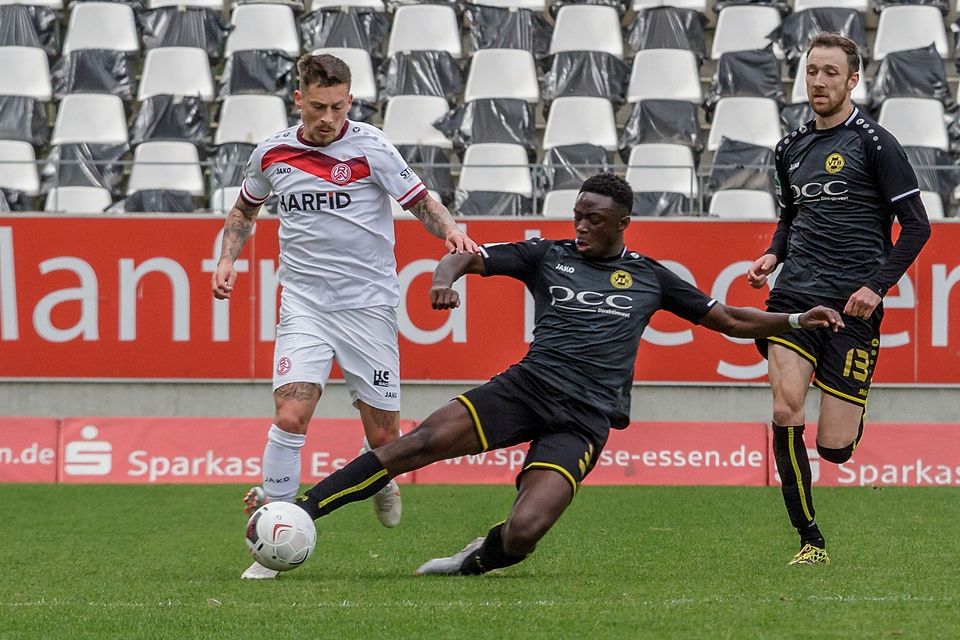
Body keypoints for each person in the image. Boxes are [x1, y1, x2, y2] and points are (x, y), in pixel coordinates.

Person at [283, 172, 844, 577]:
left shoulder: (651, 277)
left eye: (594, 219)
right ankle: (303, 509)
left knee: (524, 533)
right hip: (526, 388)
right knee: (420, 442)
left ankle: (472, 559)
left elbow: (730, 319)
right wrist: (442, 278)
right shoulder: (547, 256)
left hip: (584, 418)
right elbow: (467, 255)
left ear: (622, 224)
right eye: (578, 215)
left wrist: (796, 319)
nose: (581, 226)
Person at [212, 53, 479, 580]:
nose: (329, 117)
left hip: (368, 308)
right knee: (290, 417)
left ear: (350, 100)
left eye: (338, 106)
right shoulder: (272, 153)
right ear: (299, 100)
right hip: (304, 305)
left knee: (384, 440)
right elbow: (245, 209)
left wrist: (450, 230)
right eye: (318, 106)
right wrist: (227, 258)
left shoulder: (371, 147)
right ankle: (274, 537)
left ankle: (381, 476)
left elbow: (420, 202)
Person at [747, 33, 931, 566]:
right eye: (812, 71)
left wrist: (876, 286)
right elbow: (790, 219)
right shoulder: (789, 148)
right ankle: (810, 539)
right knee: (785, 406)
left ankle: (847, 422)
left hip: (853, 306)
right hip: (795, 297)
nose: (819, 81)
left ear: (852, 80)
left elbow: (917, 227)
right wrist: (773, 254)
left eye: (830, 72)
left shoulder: (876, 144)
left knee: (834, 448)